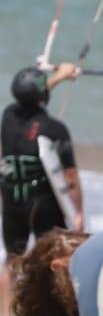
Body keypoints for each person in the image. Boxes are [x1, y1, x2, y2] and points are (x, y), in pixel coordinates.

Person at [2, 64, 85, 256]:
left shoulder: (8, 117)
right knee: (55, 261)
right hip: (43, 206)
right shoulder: (54, 129)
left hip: (12, 204)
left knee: (12, 263)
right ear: (43, 96)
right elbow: (70, 177)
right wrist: (78, 213)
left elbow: (31, 96)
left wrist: (59, 76)